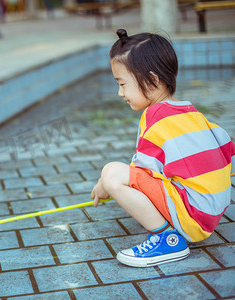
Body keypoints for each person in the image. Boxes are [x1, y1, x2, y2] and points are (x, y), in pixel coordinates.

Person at [91, 29, 235, 268]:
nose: (120, 93)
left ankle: (167, 239)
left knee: (113, 173)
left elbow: (139, 174)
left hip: (193, 217)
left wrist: (105, 184)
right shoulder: (191, 112)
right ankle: (169, 223)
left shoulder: (155, 115)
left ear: (152, 80)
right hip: (212, 213)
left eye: (123, 84)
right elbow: (226, 150)